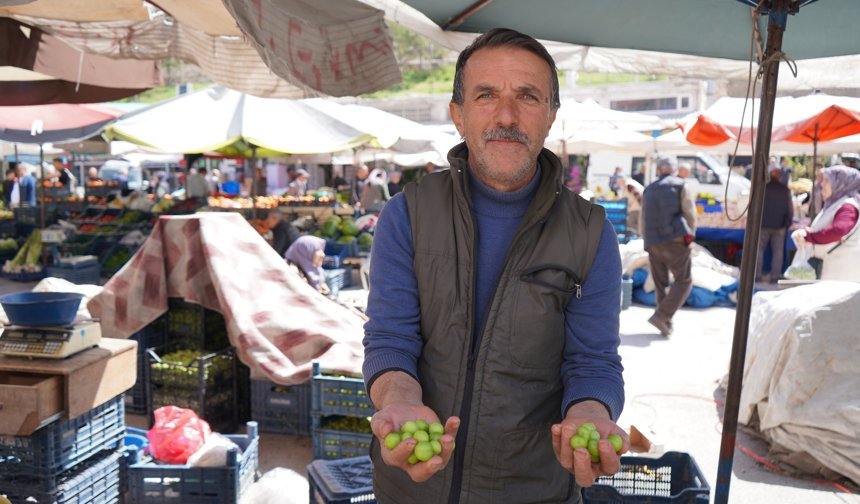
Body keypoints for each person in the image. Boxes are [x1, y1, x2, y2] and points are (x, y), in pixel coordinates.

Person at [363, 28, 627, 503]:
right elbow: (391, 339)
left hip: (533, 489)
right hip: (410, 488)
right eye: (486, 95)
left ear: (550, 117)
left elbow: (592, 361)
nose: (507, 116)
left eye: (528, 96)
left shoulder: (590, 233)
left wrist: (590, 412)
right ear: (458, 115)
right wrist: (400, 400)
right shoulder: (408, 214)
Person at [640, 155, 696, 337]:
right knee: (684, 281)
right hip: (674, 239)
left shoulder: (649, 189)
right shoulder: (680, 185)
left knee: (660, 283)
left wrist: (646, 239)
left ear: (659, 170)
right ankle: (662, 316)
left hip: (652, 241)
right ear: (674, 169)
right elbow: (689, 213)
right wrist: (690, 236)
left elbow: (643, 218)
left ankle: (664, 320)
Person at [791, 165, 860, 281]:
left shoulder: (848, 206)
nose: (822, 184)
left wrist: (808, 237)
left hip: (839, 275)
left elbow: (839, 230)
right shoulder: (834, 204)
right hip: (830, 272)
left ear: (841, 183)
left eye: (827, 180)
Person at [756, 167, 794, 284]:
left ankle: (756, 275)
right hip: (779, 225)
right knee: (778, 251)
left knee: (759, 250)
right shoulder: (785, 190)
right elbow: (790, 209)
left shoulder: (763, 189)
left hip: (763, 224)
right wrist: (788, 222)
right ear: (780, 177)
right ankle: (774, 277)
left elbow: (756, 205)